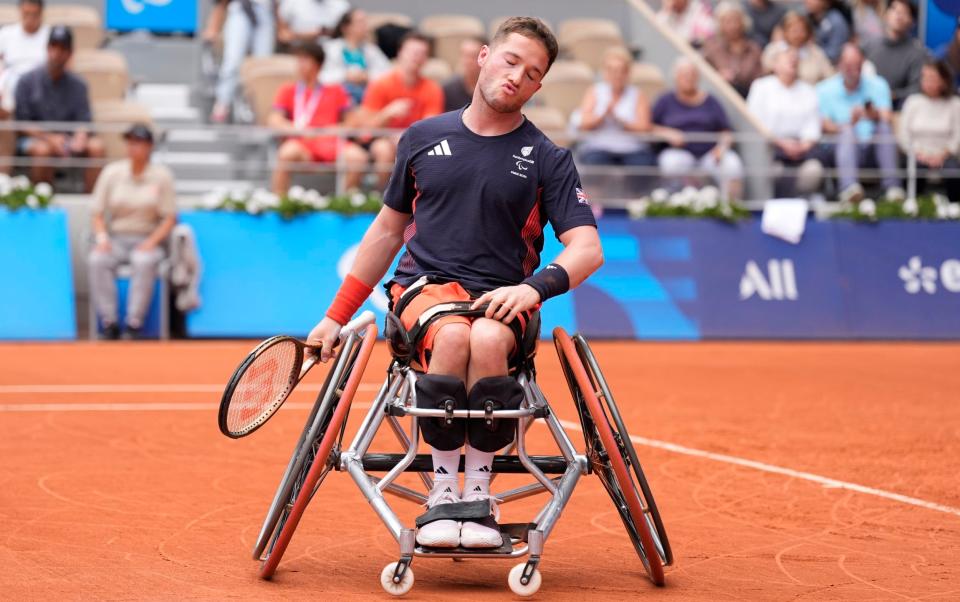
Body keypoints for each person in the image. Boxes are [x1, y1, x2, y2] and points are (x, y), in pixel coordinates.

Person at [306, 17, 602, 550]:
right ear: (484, 57)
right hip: (426, 289)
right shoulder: (421, 138)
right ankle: (443, 494)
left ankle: (478, 498)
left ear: (538, 88)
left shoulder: (548, 158)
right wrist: (335, 316)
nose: (517, 76)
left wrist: (534, 288)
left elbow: (588, 250)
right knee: (455, 336)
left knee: (486, 337)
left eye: (532, 72)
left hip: (505, 297)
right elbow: (386, 233)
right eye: (511, 60)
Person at [88, 124, 176, 340]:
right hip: (116, 238)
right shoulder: (112, 172)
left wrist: (152, 242)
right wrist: (102, 238)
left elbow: (170, 218)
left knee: (143, 260)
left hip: (147, 239)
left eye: (138, 143)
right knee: (97, 259)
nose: (133, 148)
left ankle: (134, 322)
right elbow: (96, 212)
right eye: (130, 143)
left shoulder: (162, 176)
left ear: (149, 147)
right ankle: (109, 321)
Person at [268, 41, 367, 194]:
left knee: (358, 157)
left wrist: (333, 130)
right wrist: (297, 130)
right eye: (298, 60)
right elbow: (274, 119)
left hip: (332, 144)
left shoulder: (336, 90)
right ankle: (278, 202)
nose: (300, 65)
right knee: (286, 153)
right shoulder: (288, 90)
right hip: (302, 144)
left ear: (318, 64)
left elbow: (353, 121)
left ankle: (343, 204)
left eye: (305, 60)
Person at [14, 26, 105, 192]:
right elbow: (21, 124)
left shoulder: (79, 85)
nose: (57, 53)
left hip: (67, 140)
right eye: (53, 46)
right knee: (42, 150)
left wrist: (80, 137)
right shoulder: (26, 81)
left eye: (63, 48)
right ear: (47, 48)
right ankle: (43, 203)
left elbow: (84, 120)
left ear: (70, 53)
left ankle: (89, 203)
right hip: (35, 139)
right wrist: (50, 138)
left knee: (96, 147)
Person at [349, 32, 444, 189]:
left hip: (415, 142)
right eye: (413, 52)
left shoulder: (433, 88)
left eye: (422, 53)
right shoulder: (380, 84)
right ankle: (381, 197)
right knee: (383, 149)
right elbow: (365, 130)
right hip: (381, 140)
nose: (417, 57)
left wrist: (405, 136)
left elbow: (431, 127)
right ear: (400, 53)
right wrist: (387, 113)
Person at [817, 43, 902, 203]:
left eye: (857, 64)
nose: (853, 69)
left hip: (872, 146)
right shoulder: (824, 89)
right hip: (839, 149)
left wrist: (872, 114)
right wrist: (850, 123)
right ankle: (849, 189)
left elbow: (887, 116)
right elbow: (825, 125)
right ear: (839, 64)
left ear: (863, 64)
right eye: (849, 65)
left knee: (884, 127)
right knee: (848, 131)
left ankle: (892, 188)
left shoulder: (878, 84)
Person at [652, 58, 745, 199]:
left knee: (732, 165)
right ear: (676, 77)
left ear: (698, 78)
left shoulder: (711, 101)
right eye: (684, 75)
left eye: (692, 75)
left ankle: (730, 207)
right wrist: (667, 133)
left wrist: (722, 148)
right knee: (670, 163)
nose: (688, 79)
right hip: (679, 152)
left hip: (710, 154)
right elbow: (649, 126)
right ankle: (676, 208)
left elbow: (726, 131)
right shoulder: (665, 101)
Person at [748, 48, 824, 197]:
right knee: (775, 171)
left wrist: (803, 145)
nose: (792, 60)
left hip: (802, 150)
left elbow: (813, 126)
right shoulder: (761, 87)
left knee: (814, 171)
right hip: (770, 149)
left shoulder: (808, 90)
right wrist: (781, 143)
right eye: (787, 58)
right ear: (775, 64)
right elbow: (754, 121)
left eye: (795, 59)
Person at [575, 46, 653, 167]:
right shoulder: (594, 91)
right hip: (600, 148)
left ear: (627, 73)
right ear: (605, 72)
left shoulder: (637, 94)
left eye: (621, 70)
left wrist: (621, 121)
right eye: (612, 70)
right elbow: (583, 124)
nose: (617, 75)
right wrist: (603, 115)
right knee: (594, 161)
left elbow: (644, 127)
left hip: (631, 149)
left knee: (644, 163)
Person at [897, 60, 960, 203]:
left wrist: (943, 154)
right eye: (924, 77)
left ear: (943, 81)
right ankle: (914, 206)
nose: (927, 82)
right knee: (913, 167)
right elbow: (904, 135)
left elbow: (957, 137)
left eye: (932, 78)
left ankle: (955, 207)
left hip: (946, 155)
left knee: (953, 169)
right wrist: (919, 153)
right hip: (917, 154)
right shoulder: (912, 102)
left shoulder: (955, 104)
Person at [206, 0, 275, 123]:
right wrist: (213, 27)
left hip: (265, 11)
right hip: (241, 10)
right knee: (233, 61)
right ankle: (222, 103)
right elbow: (220, 3)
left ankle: (260, 108)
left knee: (263, 65)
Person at [863, 0, 927, 110]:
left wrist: (894, 95)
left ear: (912, 22)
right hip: (867, 108)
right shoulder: (869, 46)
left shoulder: (917, 52)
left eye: (904, 12)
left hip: (900, 110)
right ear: (886, 14)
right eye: (895, 10)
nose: (899, 16)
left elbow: (917, 88)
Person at [320, 9, 391, 105]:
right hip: (338, 98)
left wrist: (367, 76)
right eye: (360, 22)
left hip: (367, 97)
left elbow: (388, 74)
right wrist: (345, 76)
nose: (365, 26)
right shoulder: (330, 49)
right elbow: (321, 77)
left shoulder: (371, 50)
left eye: (365, 21)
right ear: (345, 27)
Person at [702, 1, 764, 97]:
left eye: (736, 20)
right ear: (720, 24)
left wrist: (738, 79)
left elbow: (759, 81)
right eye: (727, 21)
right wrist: (718, 76)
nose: (733, 26)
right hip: (718, 96)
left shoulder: (754, 49)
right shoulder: (712, 48)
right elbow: (703, 76)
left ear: (743, 22)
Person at [0, 0, 49, 116]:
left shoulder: (50, 34)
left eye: (34, 14)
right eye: (26, 13)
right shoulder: (6, 34)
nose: (30, 18)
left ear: (41, 13)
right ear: (20, 11)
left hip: (41, 85)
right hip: (12, 84)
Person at [762, 12, 834, 85]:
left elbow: (829, 76)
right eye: (794, 31)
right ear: (785, 32)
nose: (798, 35)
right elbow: (766, 71)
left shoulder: (816, 52)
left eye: (802, 30)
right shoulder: (773, 50)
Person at [277, 0, 350, 48]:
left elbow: (352, 34)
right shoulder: (291, 2)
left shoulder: (341, 5)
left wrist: (329, 32)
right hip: (299, 52)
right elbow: (282, 35)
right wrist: (308, 35)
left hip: (333, 55)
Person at [442, 36, 486, 112]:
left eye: (473, 56)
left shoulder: (492, 88)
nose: (467, 61)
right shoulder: (448, 89)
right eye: (464, 55)